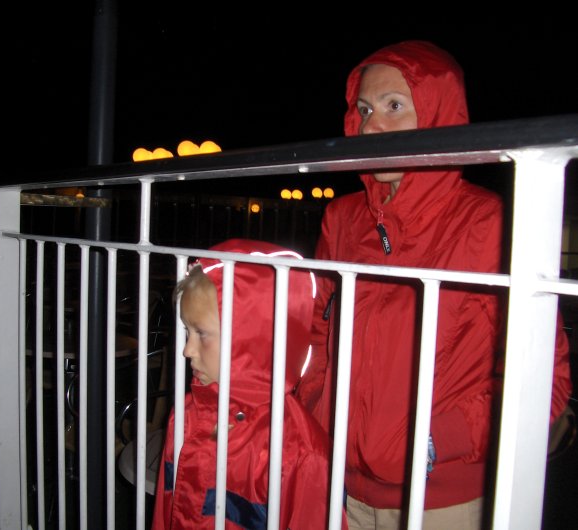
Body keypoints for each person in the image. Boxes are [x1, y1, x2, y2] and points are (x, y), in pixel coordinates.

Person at [294, 40, 573, 529]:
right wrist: (319, 408)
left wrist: (439, 439)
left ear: (439, 115)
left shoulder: (487, 224)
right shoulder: (342, 218)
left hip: (443, 501)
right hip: (340, 487)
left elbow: (545, 380)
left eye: (394, 106)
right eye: (364, 110)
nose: (371, 127)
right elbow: (318, 334)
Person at [151, 239, 346, 530]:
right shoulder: (185, 417)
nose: (187, 350)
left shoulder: (299, 454)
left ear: (250, 337)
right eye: (187, 331)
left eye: (201, 333)